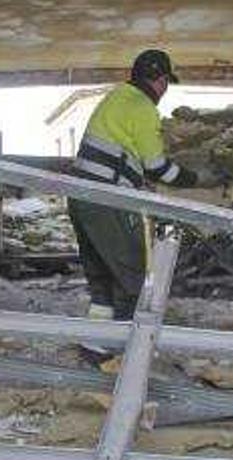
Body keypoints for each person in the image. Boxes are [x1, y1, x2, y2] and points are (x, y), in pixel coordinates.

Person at [68, 49, 219, 321]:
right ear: (160, 80)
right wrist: (201, 180)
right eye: (166, 83)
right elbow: (158, 168)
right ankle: (126, 352)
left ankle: (97, 346)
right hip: (107, 202)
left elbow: (124, 155)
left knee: (102, 282)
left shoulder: (115, 97)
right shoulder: (143, 108)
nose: (165, 90)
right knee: (133, 279)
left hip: (81, 197)